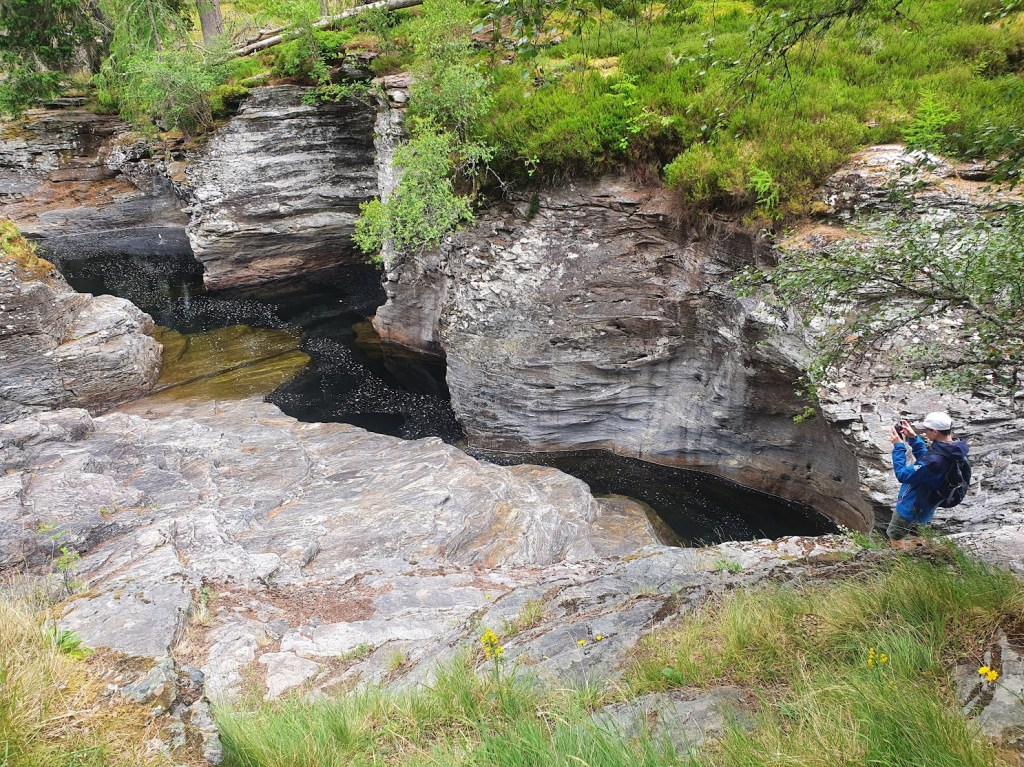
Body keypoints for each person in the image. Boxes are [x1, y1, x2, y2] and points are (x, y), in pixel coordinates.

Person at [887, 411, 969, 548]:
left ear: (935, 432)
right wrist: (913, 439)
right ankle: (919, 552)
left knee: (894, 534)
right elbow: (928, 461)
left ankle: (898, 559)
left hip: (911, 504)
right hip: (930, 503)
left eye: (926, 430)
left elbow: (902, 474)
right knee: (917, 532)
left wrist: (899, 447)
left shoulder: (935, 461)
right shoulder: (954, 450)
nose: (924, 433)